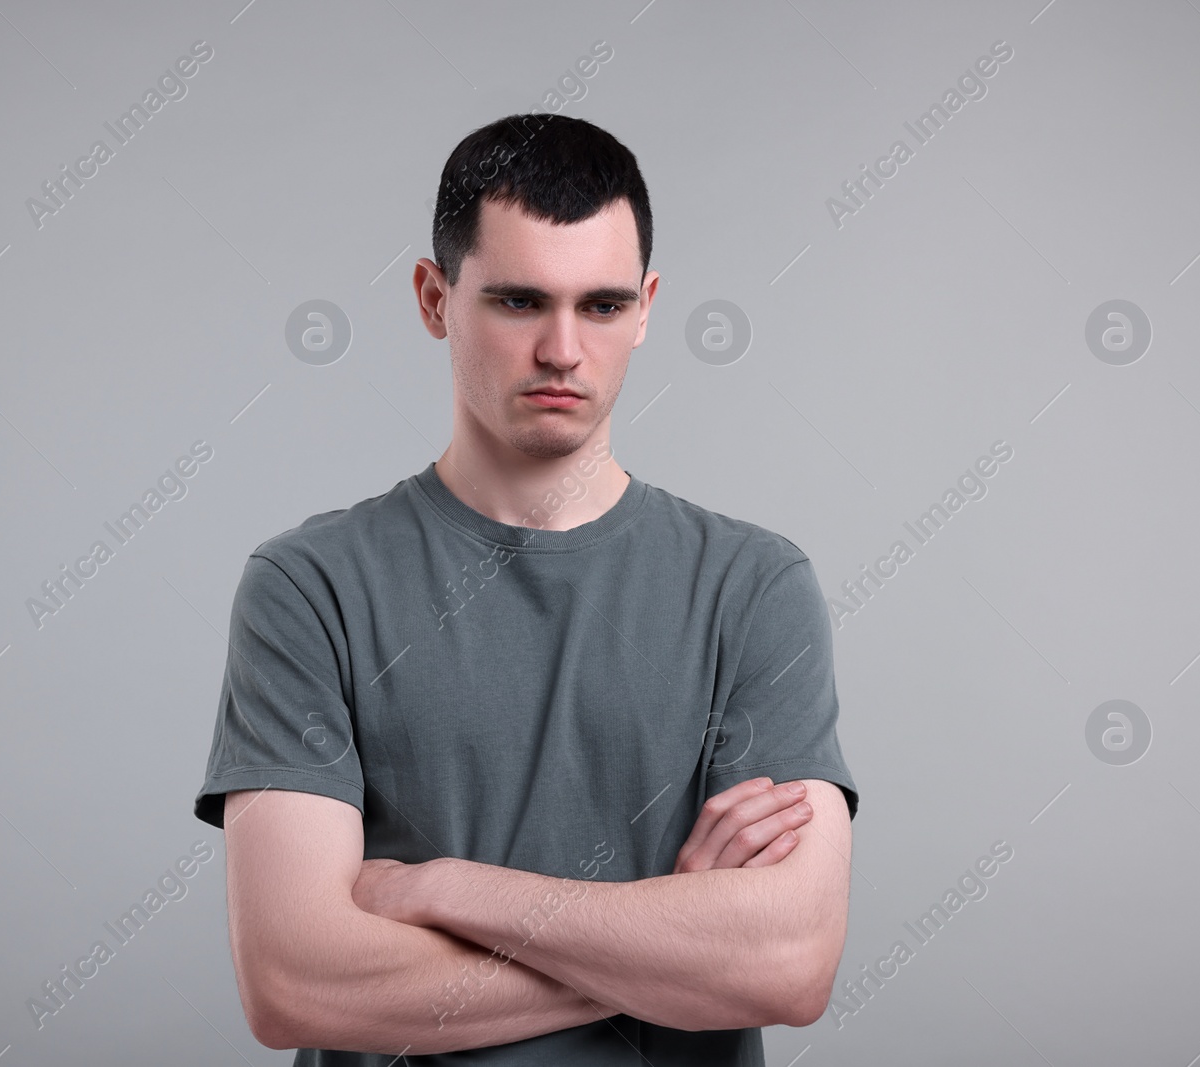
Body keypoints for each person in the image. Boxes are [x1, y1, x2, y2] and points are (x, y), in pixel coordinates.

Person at [193, 112, 859, 1065]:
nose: (561, 350)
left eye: (600, 305)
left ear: (646, 307)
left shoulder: (755, 588)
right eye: (517, 302)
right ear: (434, 297)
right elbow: (296, 983)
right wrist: (668, 942)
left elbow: (788, 966)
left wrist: (442, 888)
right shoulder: (309, 588)